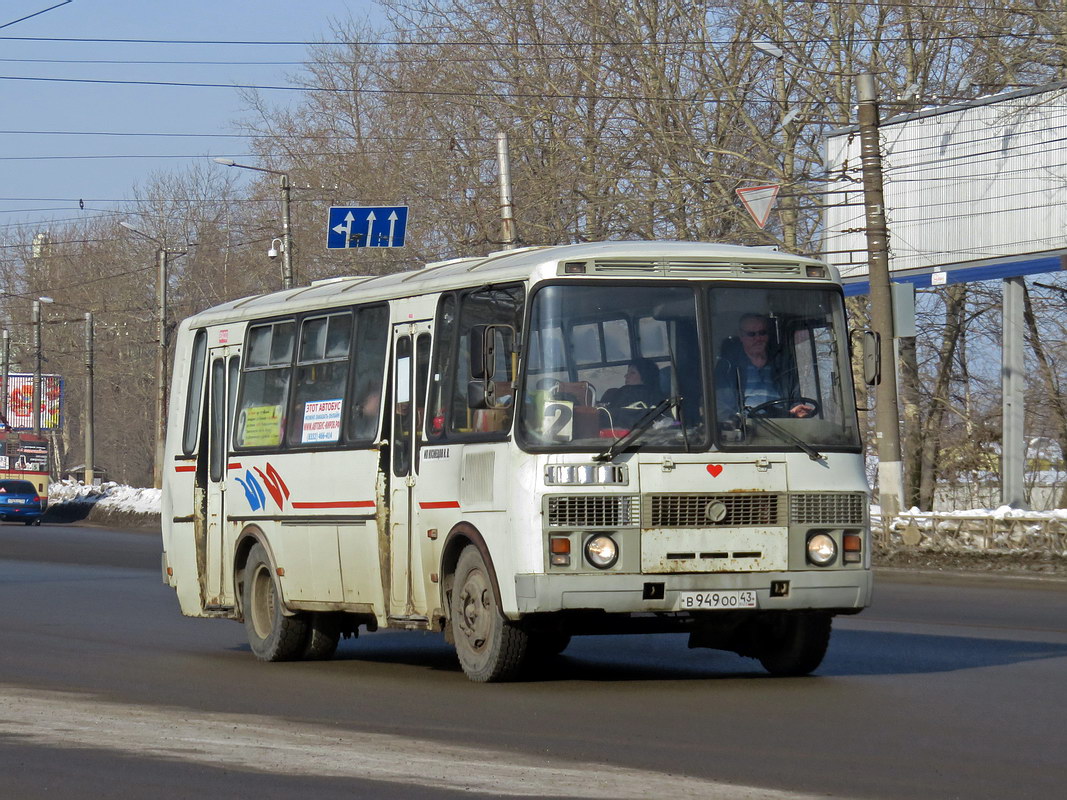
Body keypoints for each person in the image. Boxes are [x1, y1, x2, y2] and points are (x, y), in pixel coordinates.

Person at [716, 313, 813, 419]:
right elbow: (723, 410)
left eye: (762, 333)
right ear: (741, 336)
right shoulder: (728, 368)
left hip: (783, 429)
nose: (758, 338)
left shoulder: (783, 364)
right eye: (751, 334)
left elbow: (795, 400)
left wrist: (797, 411)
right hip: (746, 431)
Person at [599, 358, 664, 426]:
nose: (626, 376)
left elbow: (610, 417)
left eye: (632, 373)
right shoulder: (659, 397)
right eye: (628, 372)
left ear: (645, 376)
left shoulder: (626, 391)